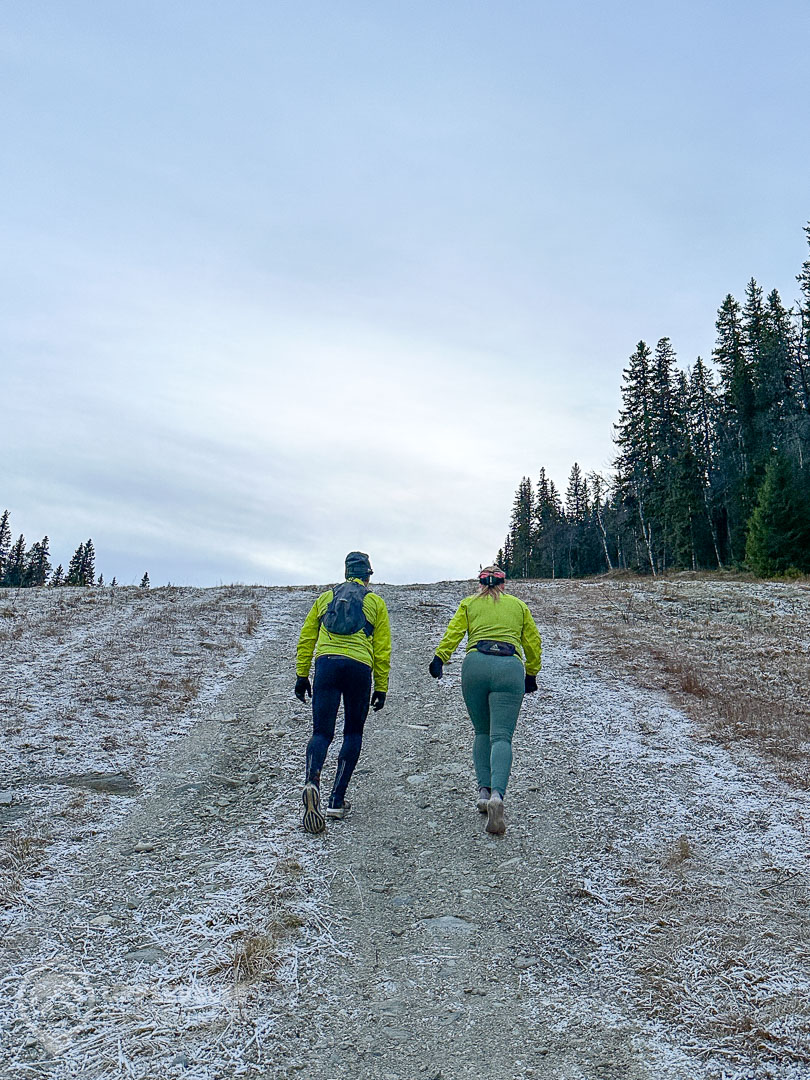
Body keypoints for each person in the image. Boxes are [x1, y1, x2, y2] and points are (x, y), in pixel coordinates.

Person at [428, 565, 541, 836]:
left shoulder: (469, 604)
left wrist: (440, 658)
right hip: (509, 667)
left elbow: (453, 633)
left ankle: (483, 791)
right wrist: (531, 673)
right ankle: (498, 797)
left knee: (481, 731)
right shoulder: (518, 606)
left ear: (480, 585)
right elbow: (533, 642)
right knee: (501, 736)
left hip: (475, 665)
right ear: (503, 584)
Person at [294, 551, 391, 834]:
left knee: (321, 733)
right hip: (360, 668)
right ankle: (336, 800)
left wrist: (302, 675)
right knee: (353, 733)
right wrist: (381, 686)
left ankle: (312, 781)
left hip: (327, 665)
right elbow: (383, 650)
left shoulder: (325, 599)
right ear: (368, 576)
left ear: (345, 572)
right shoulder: (375, 602)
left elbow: (307, 637)